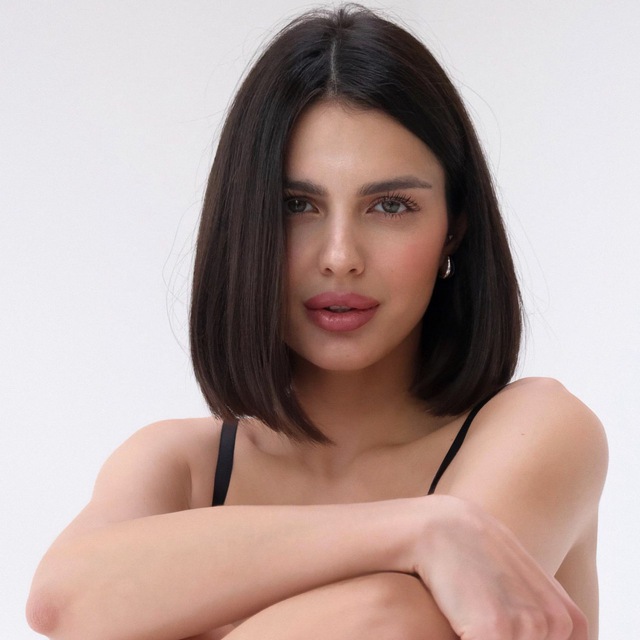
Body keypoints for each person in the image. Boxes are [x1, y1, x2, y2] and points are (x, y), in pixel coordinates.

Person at [26, 5, 607, 639]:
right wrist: (420, 528)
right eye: (296, 205)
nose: (339, 257)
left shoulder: (538, 431)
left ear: (454, 229)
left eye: (391, 206)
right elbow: (61, 604)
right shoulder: (179, 464)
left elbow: (387, 623)